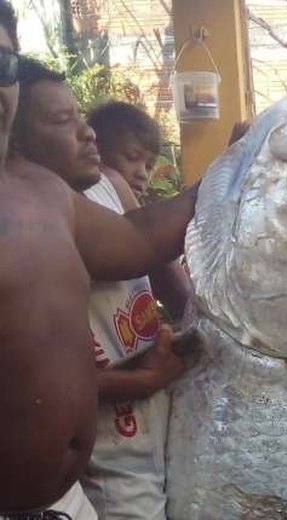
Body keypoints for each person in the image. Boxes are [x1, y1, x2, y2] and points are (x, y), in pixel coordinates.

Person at [0, 2, 197, 516]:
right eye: (63, 121)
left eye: (1, 65)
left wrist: (238, 172)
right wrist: (137, 381)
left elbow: (140, 242)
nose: (86, 133)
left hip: (68, 500)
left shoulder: (41, 193)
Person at [86, 100, 190, 320]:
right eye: (132, 158)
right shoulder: (100, 190)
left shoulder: (134, 209)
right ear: (94, 149)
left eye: (149, 165)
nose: (142, 173)